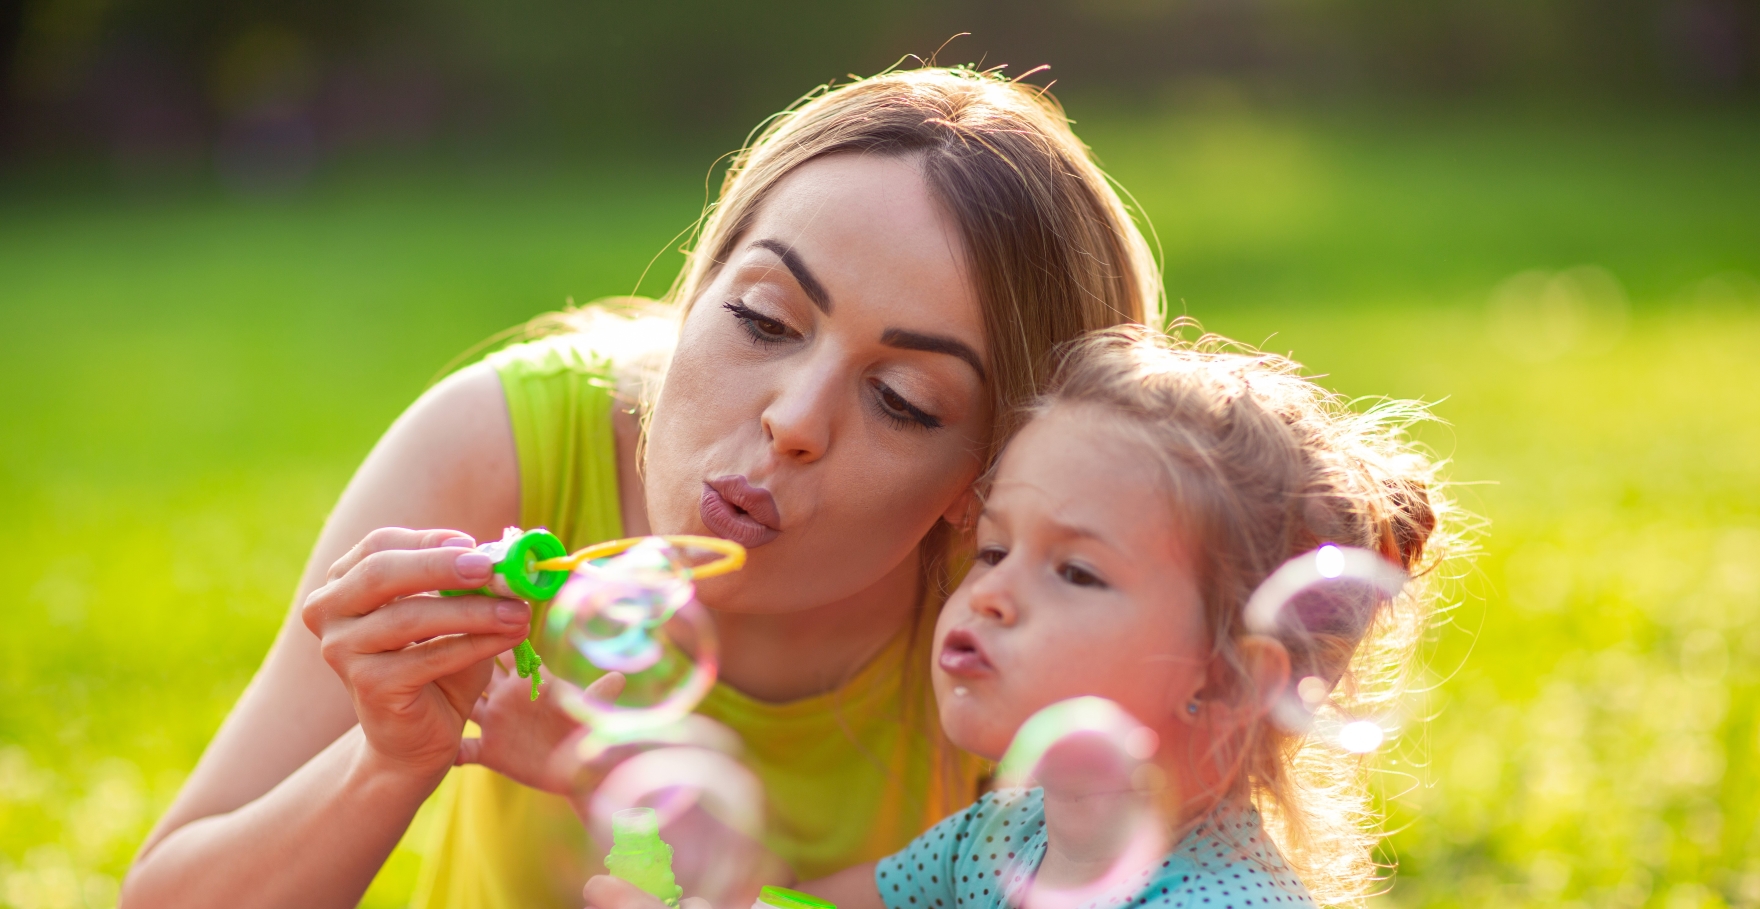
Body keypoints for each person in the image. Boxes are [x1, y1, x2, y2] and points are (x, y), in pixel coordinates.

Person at [120, 66, 1162, 909]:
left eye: (902, 399)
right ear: (697, 287)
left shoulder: (1024, 603)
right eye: (761, 318)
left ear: (987, 481)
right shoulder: (507, 446)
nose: (794, 421)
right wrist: (385, 762)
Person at [584, 323, 1456, 909]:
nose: (990, 593)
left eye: (1075, 570)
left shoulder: (1219, 899)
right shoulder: (1002, 835)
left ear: (1230, 677)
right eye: (995, 549)